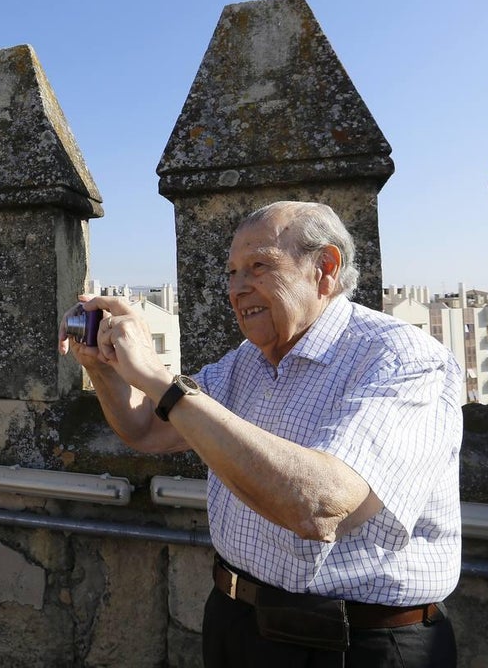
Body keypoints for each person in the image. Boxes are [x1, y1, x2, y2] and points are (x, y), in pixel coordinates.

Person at [59, 201, 463, 667]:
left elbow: (320, 508)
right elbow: (148, 429)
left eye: (258, 266)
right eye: (231, 273)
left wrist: (157, 377)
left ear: (324, 269)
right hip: (237, 625)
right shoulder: (244, 364)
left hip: (355, 645)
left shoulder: (402, 359)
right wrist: (103, 370)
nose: (237, 288)